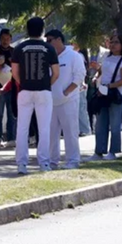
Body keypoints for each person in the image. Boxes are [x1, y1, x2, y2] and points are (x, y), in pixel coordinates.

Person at [11, 17, 60, 175]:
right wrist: (46, 84)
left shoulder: (19, 48)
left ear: (27, 29)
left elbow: (14, 72)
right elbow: (56, 73)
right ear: (42, 30)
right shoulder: (49, 48)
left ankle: (21, 164)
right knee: (44, 128)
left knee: (22, 128)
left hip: (25, 91)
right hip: (44, 91)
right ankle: (44, 163)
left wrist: (23, 83)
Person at [44, 30, 85, 169]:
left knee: (70, 131)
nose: (48, 44)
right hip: (51, 101)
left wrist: (66, 92)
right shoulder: (48, 57)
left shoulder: (73, 56)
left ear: (59, 39)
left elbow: (79, 76)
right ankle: (52, 161)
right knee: (51, 133)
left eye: (50, 40)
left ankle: (73, 160)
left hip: (69, 100)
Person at [88, 35, 122, 161]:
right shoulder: (107, 57)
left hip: (117, 94)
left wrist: (108, 86)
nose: (113, 45)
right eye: (111, 42)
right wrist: (97, 77)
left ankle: (113, 151)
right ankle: (99, 151)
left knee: (115, 124)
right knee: (100, 123)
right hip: (103, 93)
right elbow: (102, 72)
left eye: (116, 42)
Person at [0, 29, 16, 145]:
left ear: (11, 39)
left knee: (12, 114)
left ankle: (11, 137)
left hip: (12, 87)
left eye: (7, 39)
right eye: (3, 39)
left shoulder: (14, 51)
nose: (5, 41)